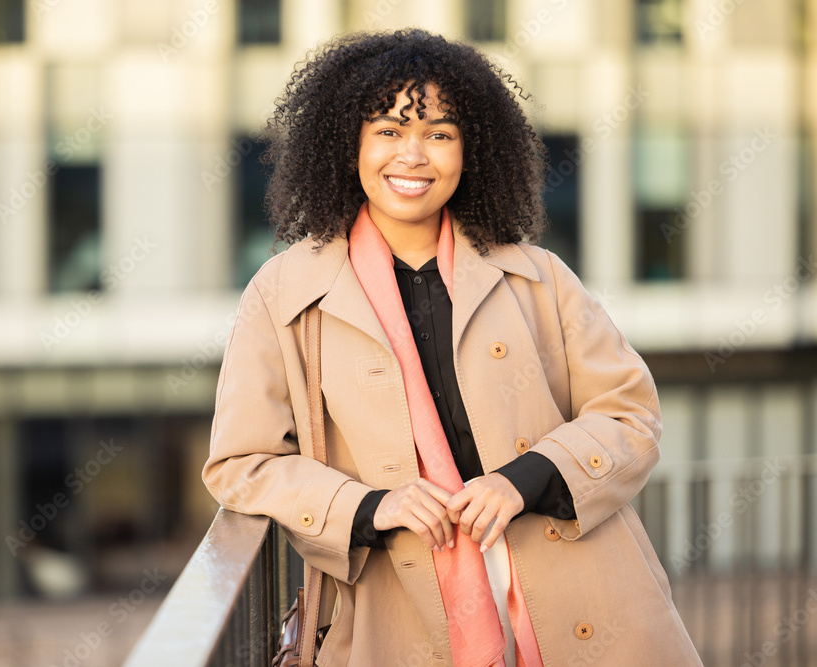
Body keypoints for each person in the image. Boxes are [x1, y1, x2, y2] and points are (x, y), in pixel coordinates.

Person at [203, 28, 701, 666]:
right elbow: (242, 463)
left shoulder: (537, 277)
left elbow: (631, 415)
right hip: (397, 606)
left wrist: (525, 480)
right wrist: (370, 506)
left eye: (439, 134)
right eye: (387, 131)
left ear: (472, 150)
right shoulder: (284, 293)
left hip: (585, 595)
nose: (413, 156)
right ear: (345, 145)